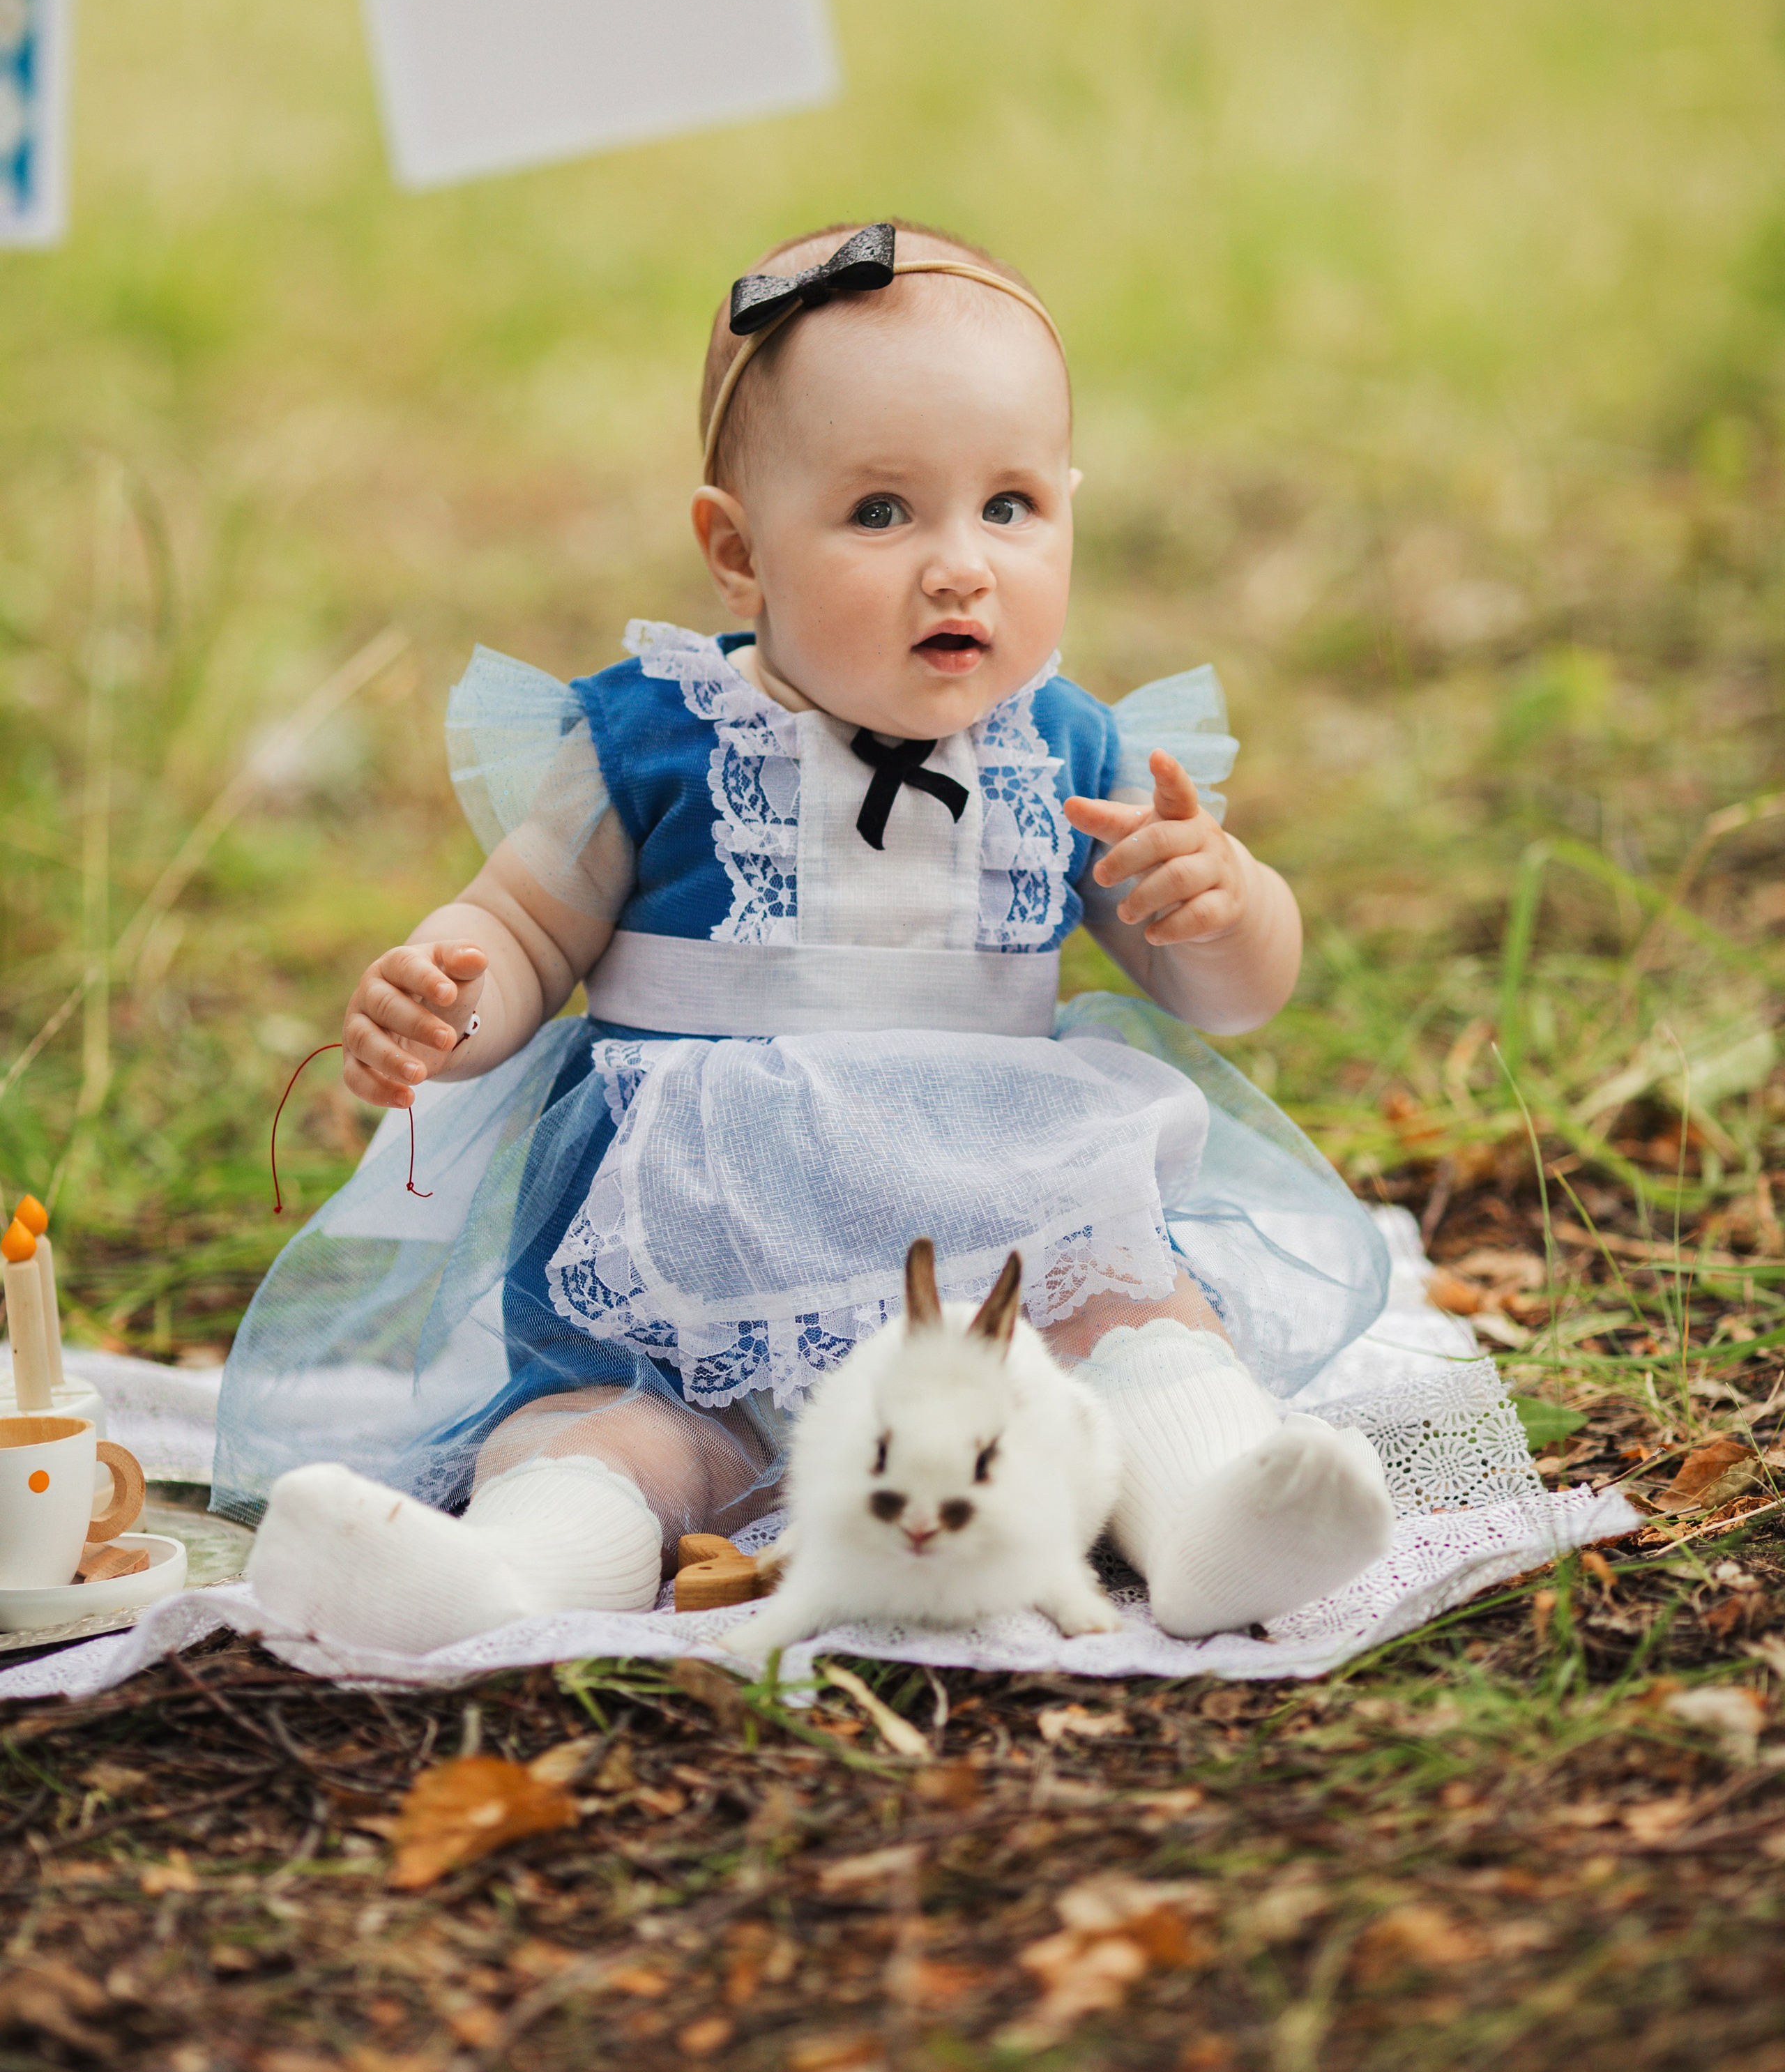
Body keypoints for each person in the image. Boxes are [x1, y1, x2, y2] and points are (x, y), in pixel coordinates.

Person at [227, 219, 1395, 1654]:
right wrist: (446, 1004)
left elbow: (1225, 997)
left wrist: (1218, 904)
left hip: (995, 1218)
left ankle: (1212, 1520)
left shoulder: (1069, 748)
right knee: (632, 1428)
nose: (959, 567)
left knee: (1126, 1325)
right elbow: (523, 927)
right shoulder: (654, 736)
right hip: (708, 1234)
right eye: (882, 513)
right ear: (736, 552)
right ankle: (518, 1573)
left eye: (1011, 507)